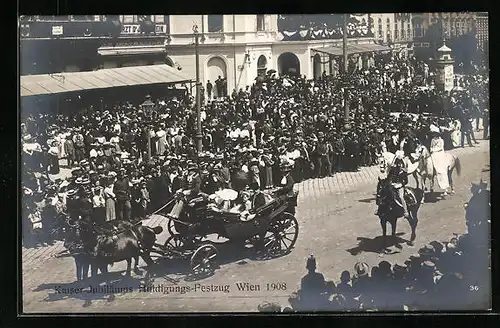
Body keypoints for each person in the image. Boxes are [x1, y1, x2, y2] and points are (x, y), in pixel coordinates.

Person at [385, 152, 409, 218]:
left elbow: (406, 181)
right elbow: (389, 176)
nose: (398, 165)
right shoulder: (393, 169)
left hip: (400, 185)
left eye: (400, 164)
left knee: (401, 197)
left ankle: (405, 211)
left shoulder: (403, 171)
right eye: (397, 163)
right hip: (393, 184)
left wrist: (400, 184)